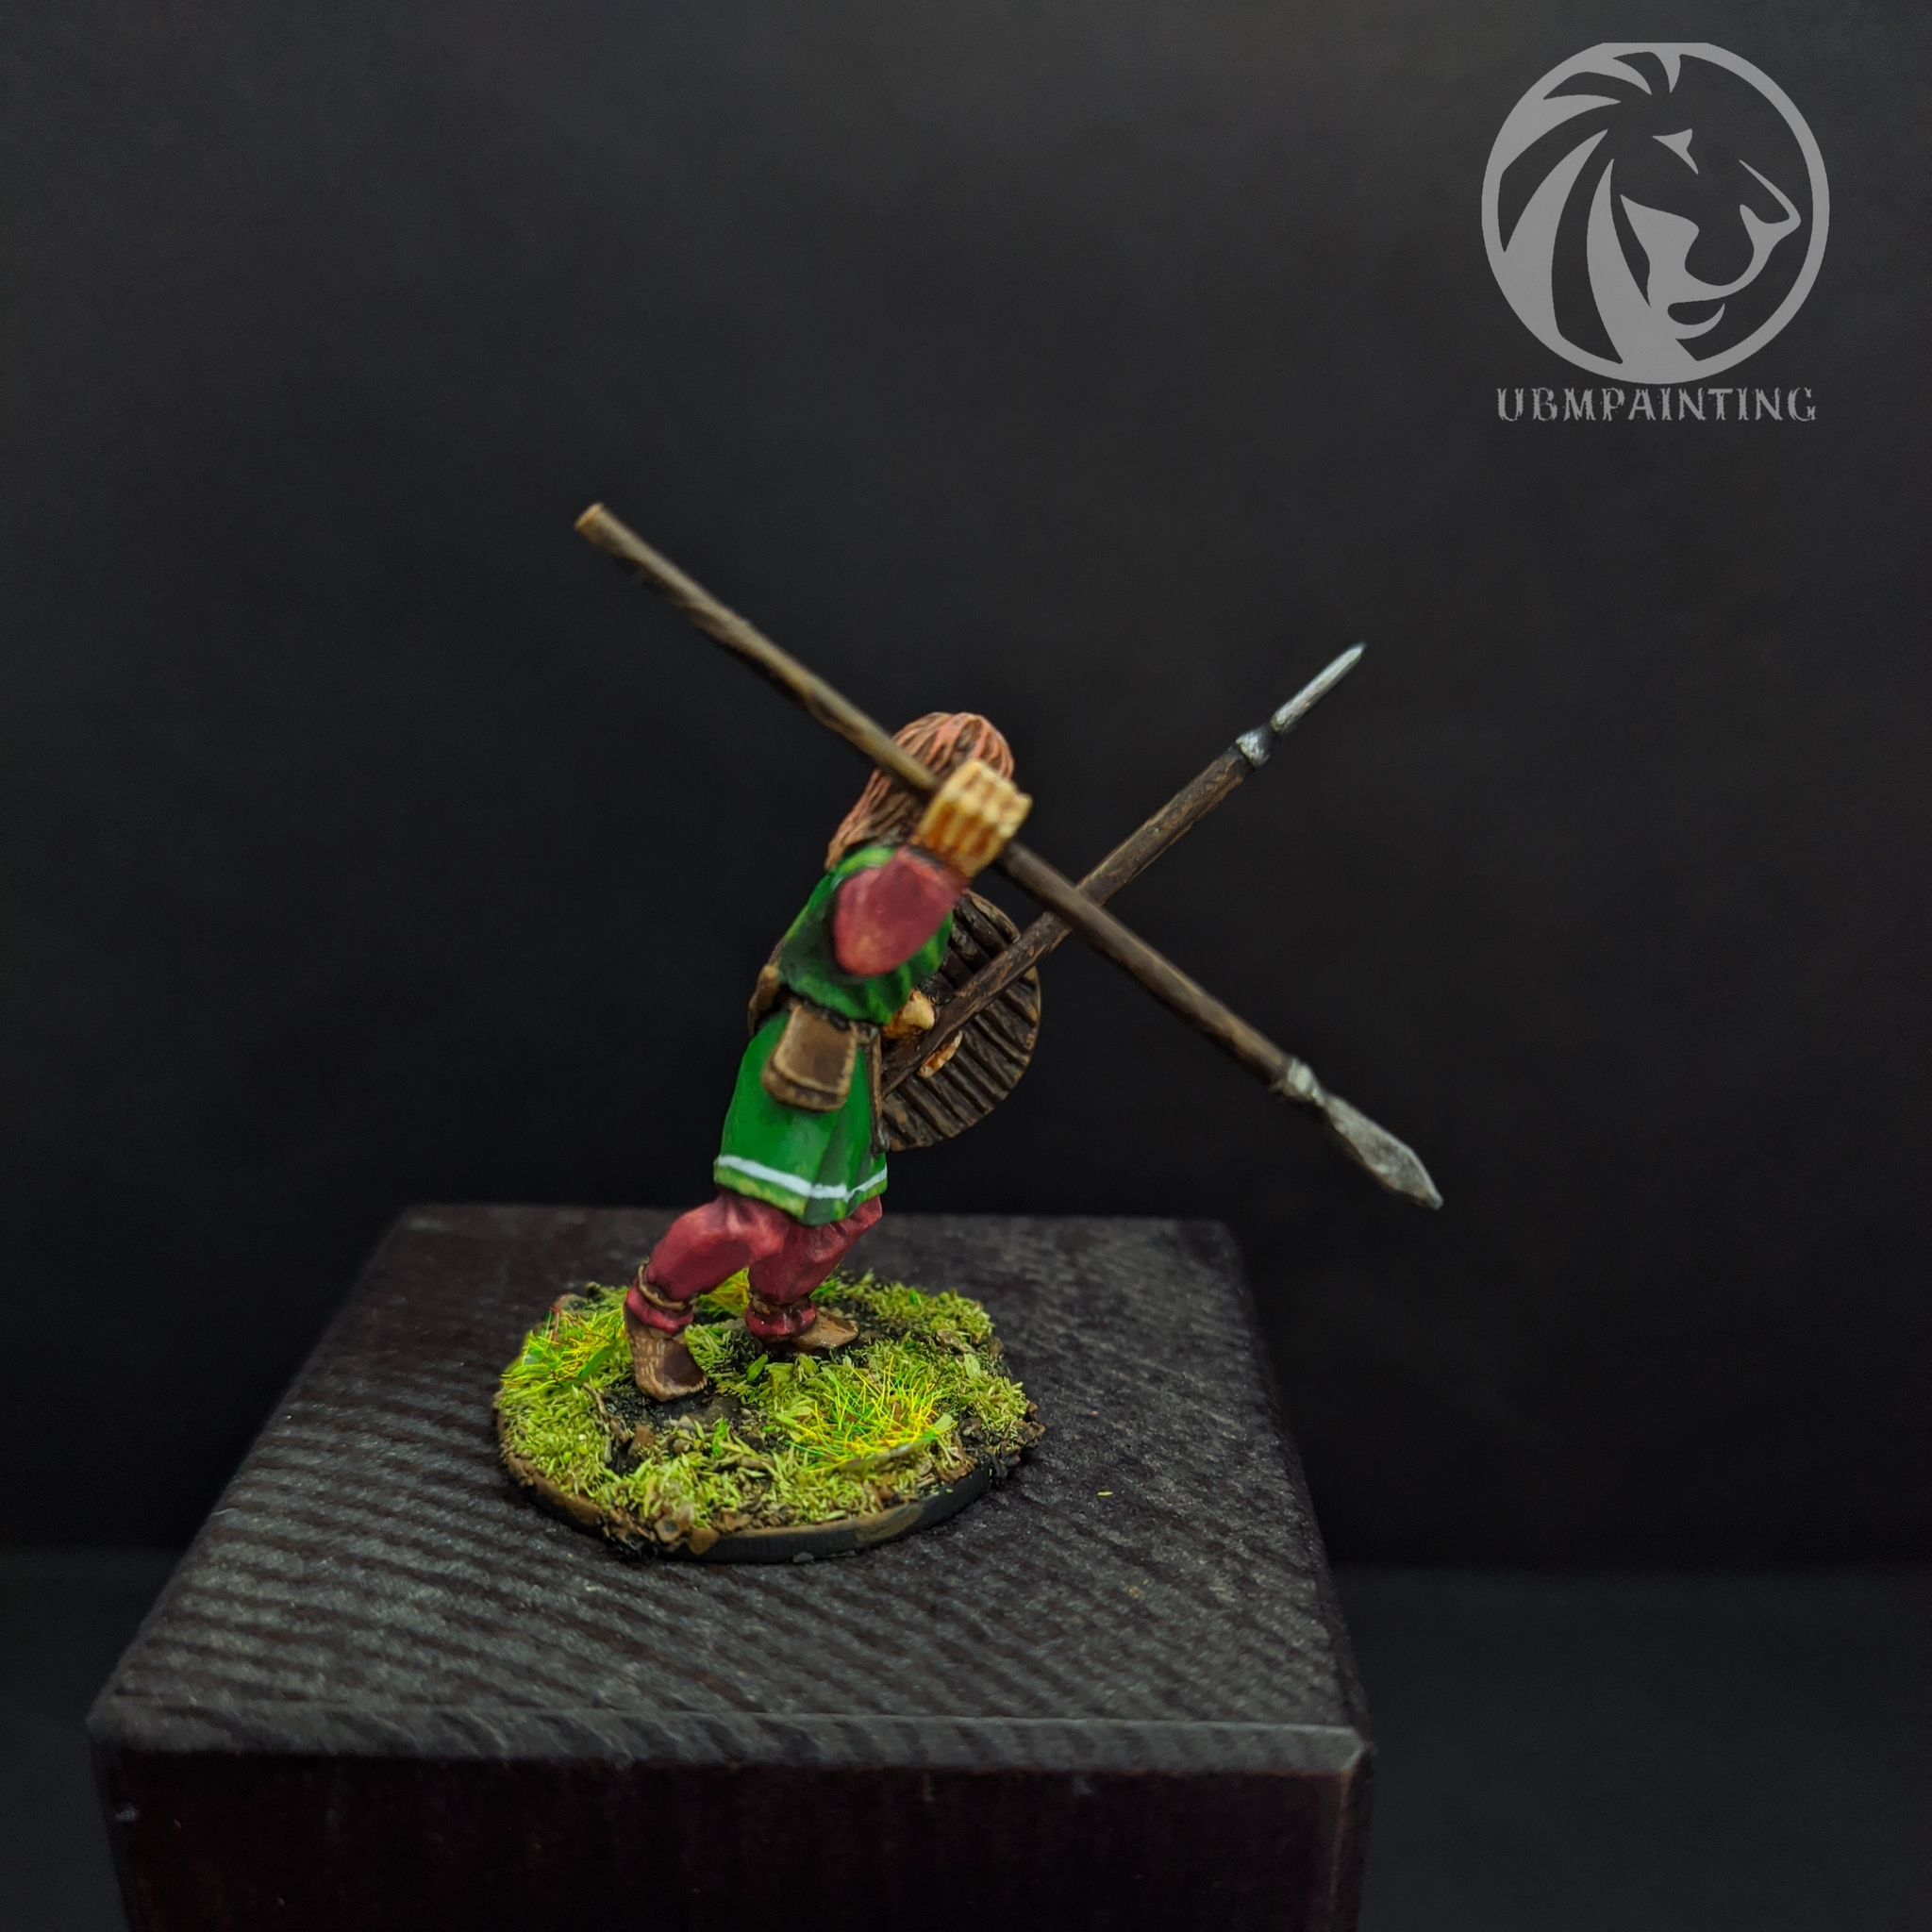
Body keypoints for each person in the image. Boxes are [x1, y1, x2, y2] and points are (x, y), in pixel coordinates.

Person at [624, 713, 1028, 1399]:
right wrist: (937, 861)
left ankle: (780, 1311)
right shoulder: (876, 870)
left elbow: (885, 978)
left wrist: (914, 1021)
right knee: (756, 1218)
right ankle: (656, 1313)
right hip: (802, 1058)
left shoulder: (927, 884)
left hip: (854, 1063)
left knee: (845, 1212)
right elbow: (866, 944)